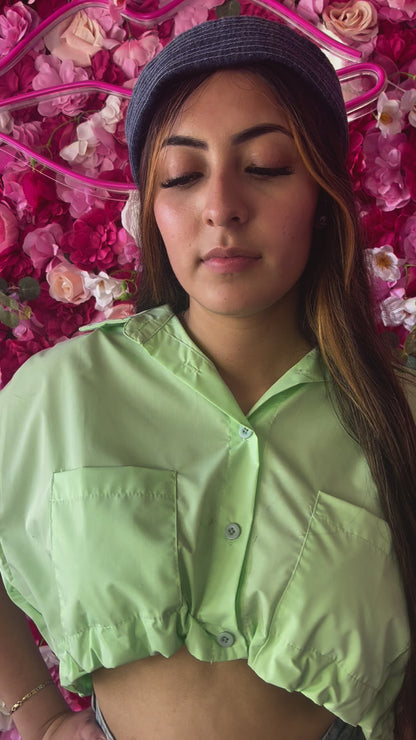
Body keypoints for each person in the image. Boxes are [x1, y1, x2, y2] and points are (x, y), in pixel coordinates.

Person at [1, 13, 416, 740]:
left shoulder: (399, 416)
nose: (222, 207)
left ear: (320, 199)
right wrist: (34, 717)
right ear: (152, 209)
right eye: (184, 175)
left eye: (266, 167)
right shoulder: (62, 392)